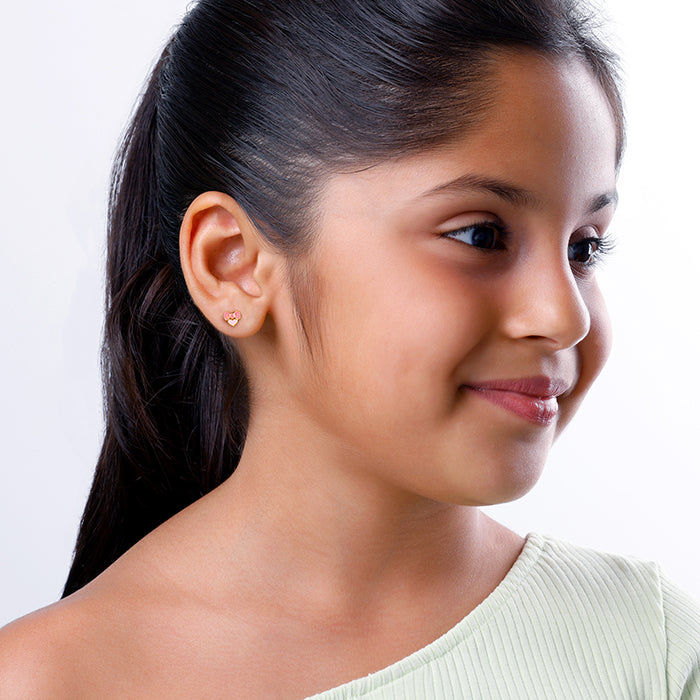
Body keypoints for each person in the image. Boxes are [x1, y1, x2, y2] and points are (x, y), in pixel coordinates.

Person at [0, 0, 698, 696]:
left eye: (584, 248)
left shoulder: (651, 649)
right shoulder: (51, 681)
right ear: (233, 265)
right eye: (480, 235)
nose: (564, 316)